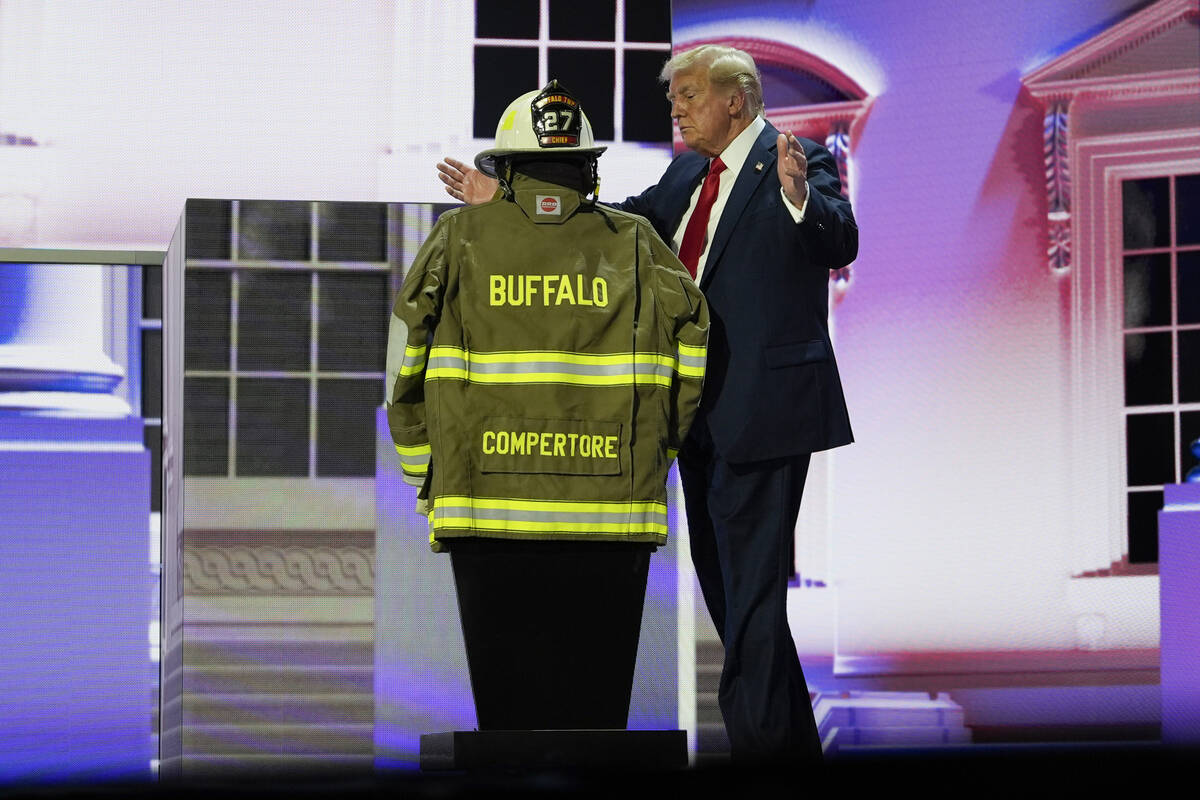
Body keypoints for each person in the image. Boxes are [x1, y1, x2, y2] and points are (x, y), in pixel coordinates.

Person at [437, 45, 856, 764]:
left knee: (751, 603)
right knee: (733, 604)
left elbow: (838, 237)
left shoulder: (799, 155)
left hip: (767, 408)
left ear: (738, 98)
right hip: (697, 412)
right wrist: (506, 203)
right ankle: (790, 758)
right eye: (675, 97)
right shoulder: (690, 172)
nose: (677, 108)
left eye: (690, 94)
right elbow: (621, 230)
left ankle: (760, 758)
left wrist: (797, 197)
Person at [390, 80, 709, 731]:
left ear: (505, 170)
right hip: (610, 517)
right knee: (595, 729)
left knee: (506, 730)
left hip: (485, 511)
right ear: (589, 169)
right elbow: (695, 344)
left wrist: (422, 466)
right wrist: (660, 453)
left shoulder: (456, 238)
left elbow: (404, 360)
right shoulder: (640, 244)